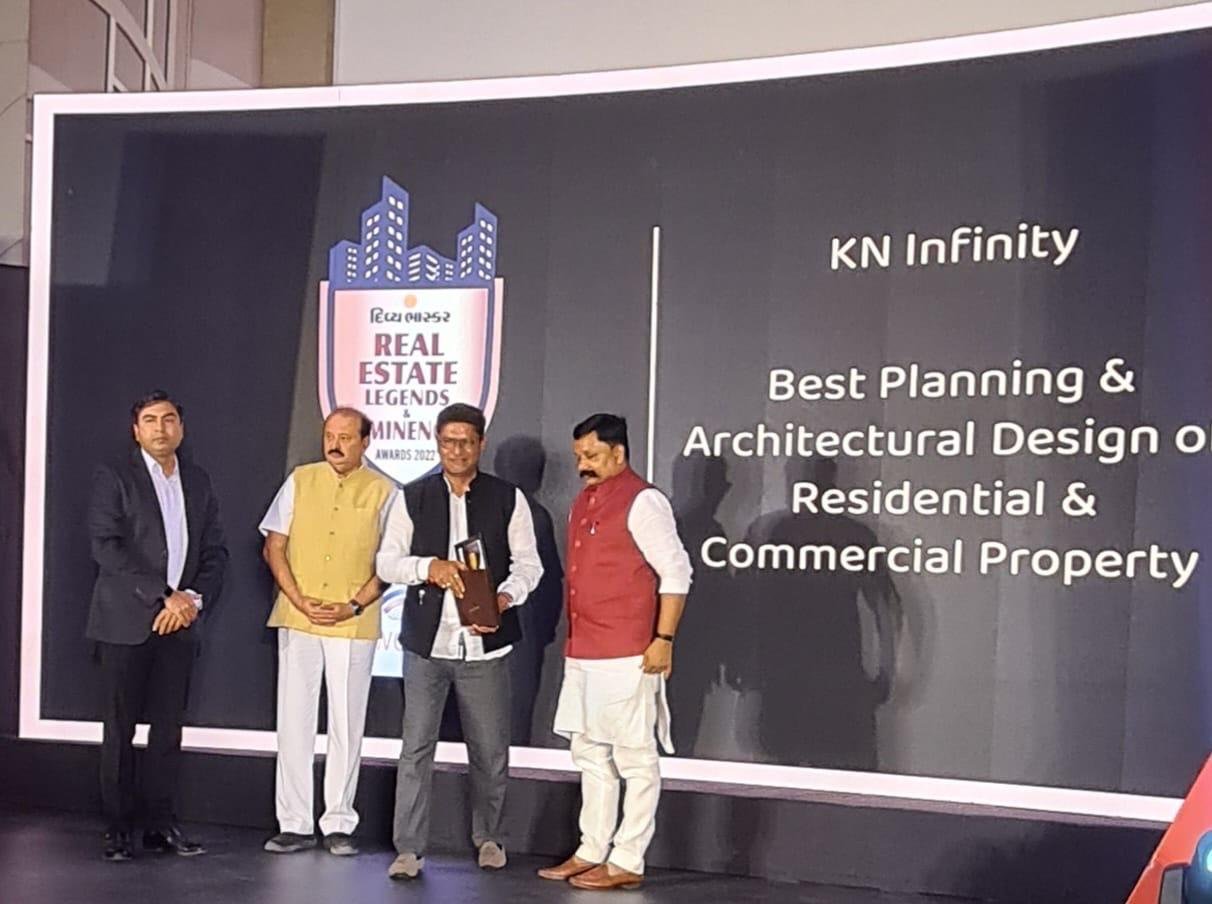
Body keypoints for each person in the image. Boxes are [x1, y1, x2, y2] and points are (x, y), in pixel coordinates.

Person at [376, 403, 542, 880]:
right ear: (436, 442)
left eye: (466, 442)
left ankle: (490, 837)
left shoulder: (507, 498)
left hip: (485, 646)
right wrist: (427, 567)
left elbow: (530, 565)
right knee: (415, 749)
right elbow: (386, 562)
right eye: (448, 441)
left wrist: (505, 598)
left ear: (481, 444)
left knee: (489, 751)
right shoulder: (412, 496)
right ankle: (409, 849)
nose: (457, 450)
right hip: (426, 646)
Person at [538, 413, 691, 891]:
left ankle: (628, 858)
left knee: (635, 758)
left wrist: (663, 640)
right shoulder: (582, 502)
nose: (582, 465)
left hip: (628, 650)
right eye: (578, 456)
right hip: (583, 648)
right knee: (588, 752)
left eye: (592, 455)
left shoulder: (643, 501)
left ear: (619, 453)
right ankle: (592, 849)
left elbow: (676, 572)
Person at [87, 390, 228, 862]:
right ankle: (118, 830)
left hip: (180, 624)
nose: (160, 428)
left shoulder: (198, 481)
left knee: (168, 732)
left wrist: (191, 601)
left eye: (168, 419)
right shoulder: (114, 476)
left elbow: (215, 552)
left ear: (181, 428)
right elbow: (106, 547)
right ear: (136, 430)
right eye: (150, 420)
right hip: (124, 624)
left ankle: (159, 826)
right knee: (120, 732)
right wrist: (163, 595)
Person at [258, 407, 396, 857]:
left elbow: (391, 562)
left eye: (345, 437)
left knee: (346, 723)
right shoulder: (301, 480)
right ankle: (294, 824)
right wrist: (298, 599)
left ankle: (338, 822)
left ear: (365, 442)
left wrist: (353, 604)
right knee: (293, 721)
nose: (335, 444)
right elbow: (274, 545)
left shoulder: (386, 491)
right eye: (330, 436)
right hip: (298, 616)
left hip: (352, 621)